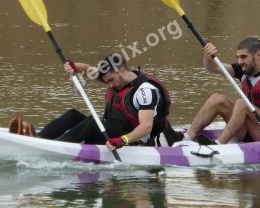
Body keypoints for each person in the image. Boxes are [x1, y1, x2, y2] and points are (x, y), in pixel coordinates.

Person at [10, 53, 178, 151]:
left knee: (92, 123)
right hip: (116, 130)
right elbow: (90, 70)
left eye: (111, 80)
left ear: (122, 70)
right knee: (73, 115)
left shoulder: (144, 91)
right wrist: (75, 67)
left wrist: (122, 141)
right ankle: (37, 139)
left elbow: (146, 127)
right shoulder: (116, 77)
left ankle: (53, 148)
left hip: (135, 141)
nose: (109, 84)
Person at [184, 37, 260, 145]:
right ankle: (186, 137)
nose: (240, 62)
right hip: (253, 129)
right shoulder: (243, 70)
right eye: (238, 57)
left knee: (242, 103)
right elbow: (214, 68)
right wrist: (208, 56)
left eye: (244, 57)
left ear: (258, 55)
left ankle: (219, 144)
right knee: (217, 99)